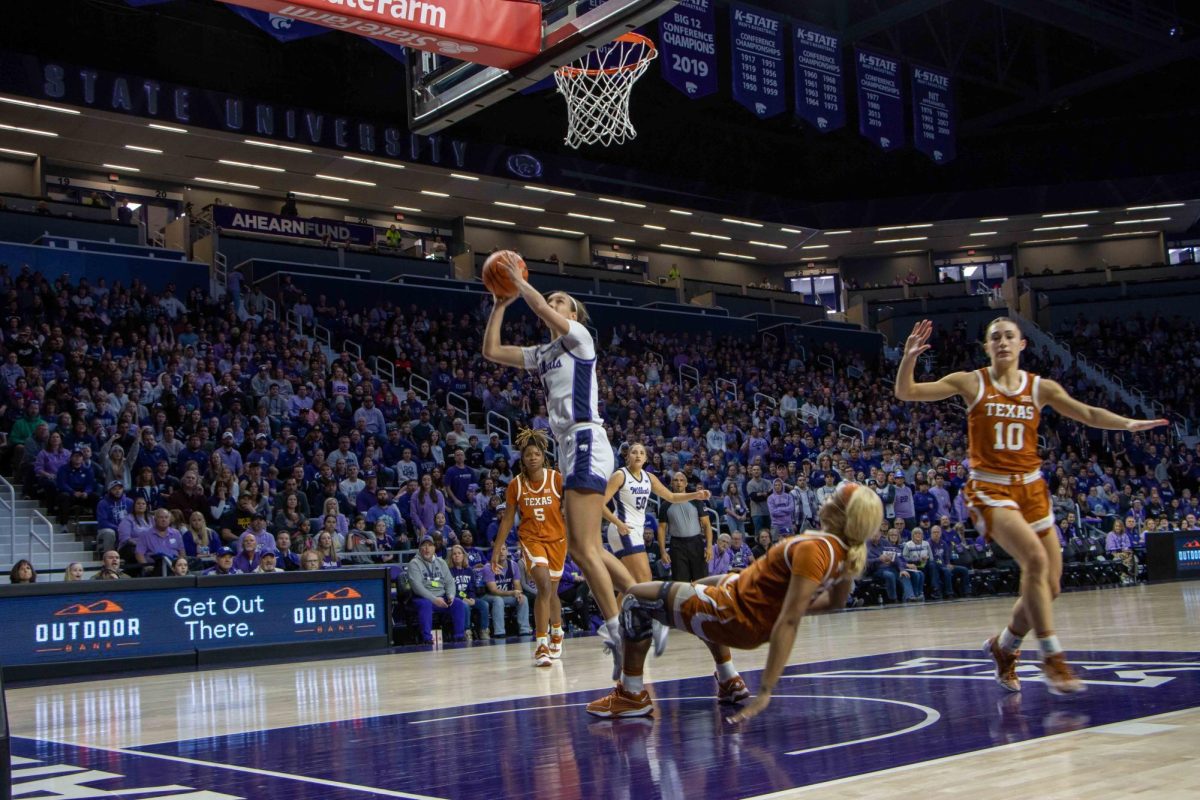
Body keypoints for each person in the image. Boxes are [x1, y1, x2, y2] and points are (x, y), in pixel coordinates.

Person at [895, 317, 1168, 695]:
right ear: (986, 347)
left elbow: (1086, 413)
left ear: (1023, 344)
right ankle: (1053, 657)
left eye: (1009, 336)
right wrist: (908, 357)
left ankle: (1004, 646)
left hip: (1032, 490)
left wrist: (1128, 424)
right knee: (1035, 562)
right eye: (995, 337)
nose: (1003, 342)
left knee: (1050, 586)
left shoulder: (1040, 387)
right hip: (990, 491)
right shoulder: (971, 381)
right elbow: (906, 392)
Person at [587, 482, 881, 719]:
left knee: (635, 601)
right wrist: (775, 608)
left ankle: (632, 694)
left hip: (732, 612)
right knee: (713, 584)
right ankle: (729, 681)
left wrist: (766, 689)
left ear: (843, 515)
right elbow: (834, 602)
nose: (826, 499)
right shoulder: (844, 554)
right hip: (741, 608)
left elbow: (790, 621)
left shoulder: (815, 549)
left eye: (834, 499)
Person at [481, 255, 638, 674]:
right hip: (569, 445)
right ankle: (646, 601)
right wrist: (500, 301)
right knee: (587, 545)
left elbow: (538, 307)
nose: (552, 302)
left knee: (583, 549)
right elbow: (492, 350)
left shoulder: (580, 338)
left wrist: (517, 281)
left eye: (560, 300)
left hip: (586, 437)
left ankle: (617, 631)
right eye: (551, 298)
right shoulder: (544, 352)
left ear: (573, 314)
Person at [602, 442, 712, 654]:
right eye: (634, 452)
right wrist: (618, 524)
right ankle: (644, 627)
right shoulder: (620, 475)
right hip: (622, 529)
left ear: (646, 458)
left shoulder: (649, 478)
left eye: (642, 452)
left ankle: (613, 629)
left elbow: (671, 497)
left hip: (633, 531)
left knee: (630, 584)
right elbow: (599, 503)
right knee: (644, 578)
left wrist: (695, 495)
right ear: (627, 456)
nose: (638, 455)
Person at [492, 429, 567, 666]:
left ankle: (557, 630)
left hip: (557, 540)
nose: (532, 457)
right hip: (531, 539)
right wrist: (497, 549)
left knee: (552, 592)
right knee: (543, 586)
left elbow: (569, 511)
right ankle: (541, 644)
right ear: (522, 459)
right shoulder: (516, 485)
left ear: (543, 456)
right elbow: (507, 520)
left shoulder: (556, 479)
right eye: (528, 455)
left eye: (536, 453)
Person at [407, 535, 468, 644]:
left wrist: (450, 596)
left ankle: (459, 636)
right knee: (425, 604)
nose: (427, 549)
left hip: (442, 598)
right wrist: (434, 599)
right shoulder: (414, 563)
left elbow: (450, 582)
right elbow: (417, 587)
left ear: (434, 548)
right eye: (424, 546)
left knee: (458, 603)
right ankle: (427, 638)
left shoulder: (441, 562)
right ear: (420, 549)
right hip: (422, 598)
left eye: (429, 546)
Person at [657, 472, 714, 583]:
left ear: (686, 483)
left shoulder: (696, 501)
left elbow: (707, 524)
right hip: (677, 545)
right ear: (671, 483)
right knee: (680, 581)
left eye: (682, 480)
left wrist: (709, 546)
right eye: (675, 480)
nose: (679, 483)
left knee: (701, 580)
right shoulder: (665, 505)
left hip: (696, 543)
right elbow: (661, 529)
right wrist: (663, 551)